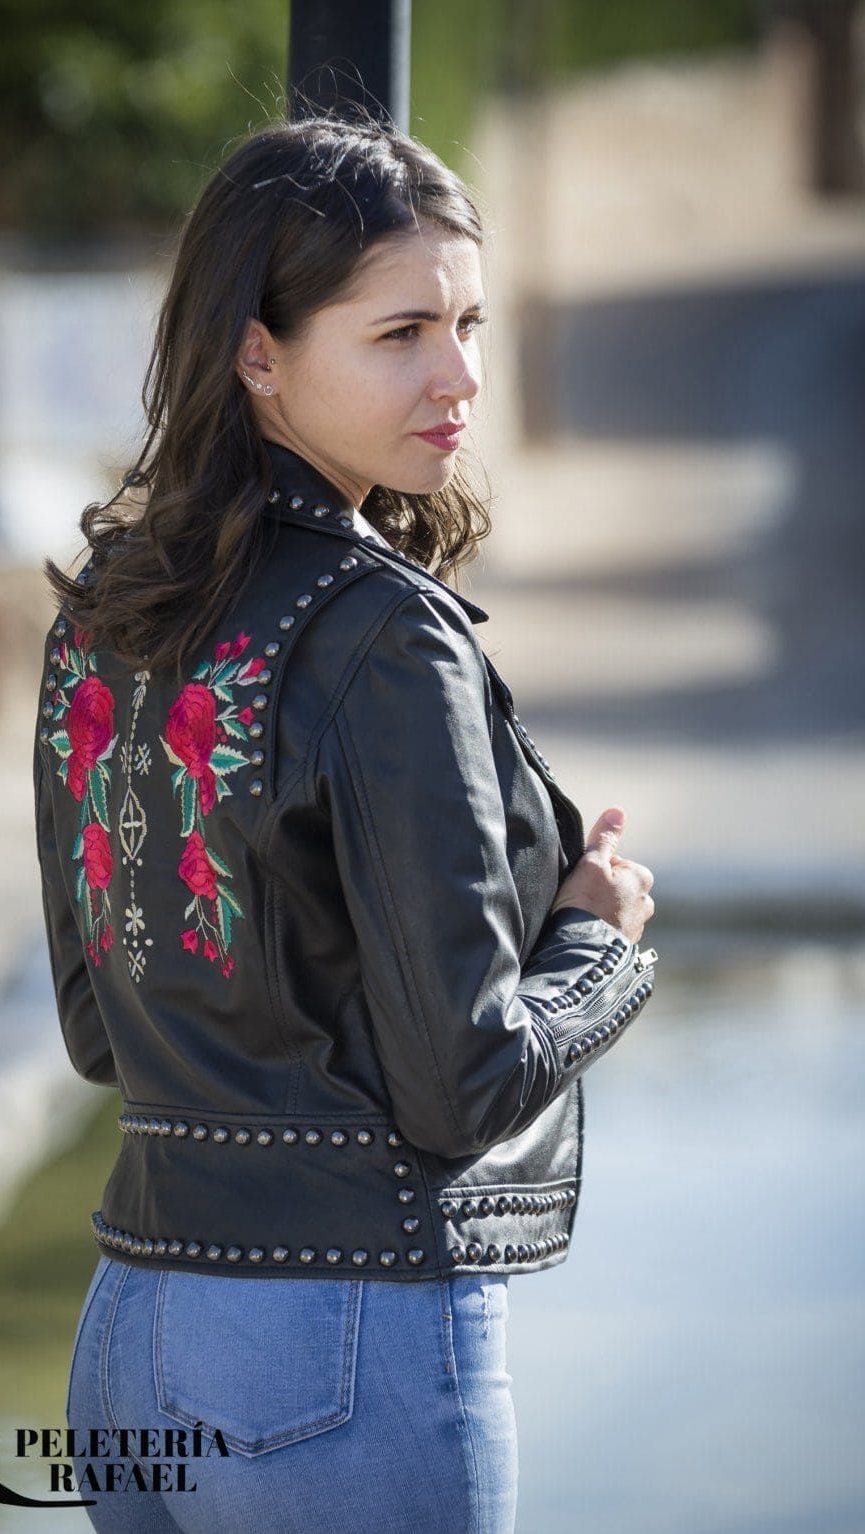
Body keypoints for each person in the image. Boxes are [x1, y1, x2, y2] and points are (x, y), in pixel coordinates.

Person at [33, 108, 657, 1534]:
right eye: (401, 333)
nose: (462, 374)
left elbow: (97, 1026)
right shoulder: (386, 635)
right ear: (258, 352)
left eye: (469, 322)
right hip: (336, 1349)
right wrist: (600, 942)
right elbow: (464, 1086)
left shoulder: (107, 614)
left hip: (129, 1330)